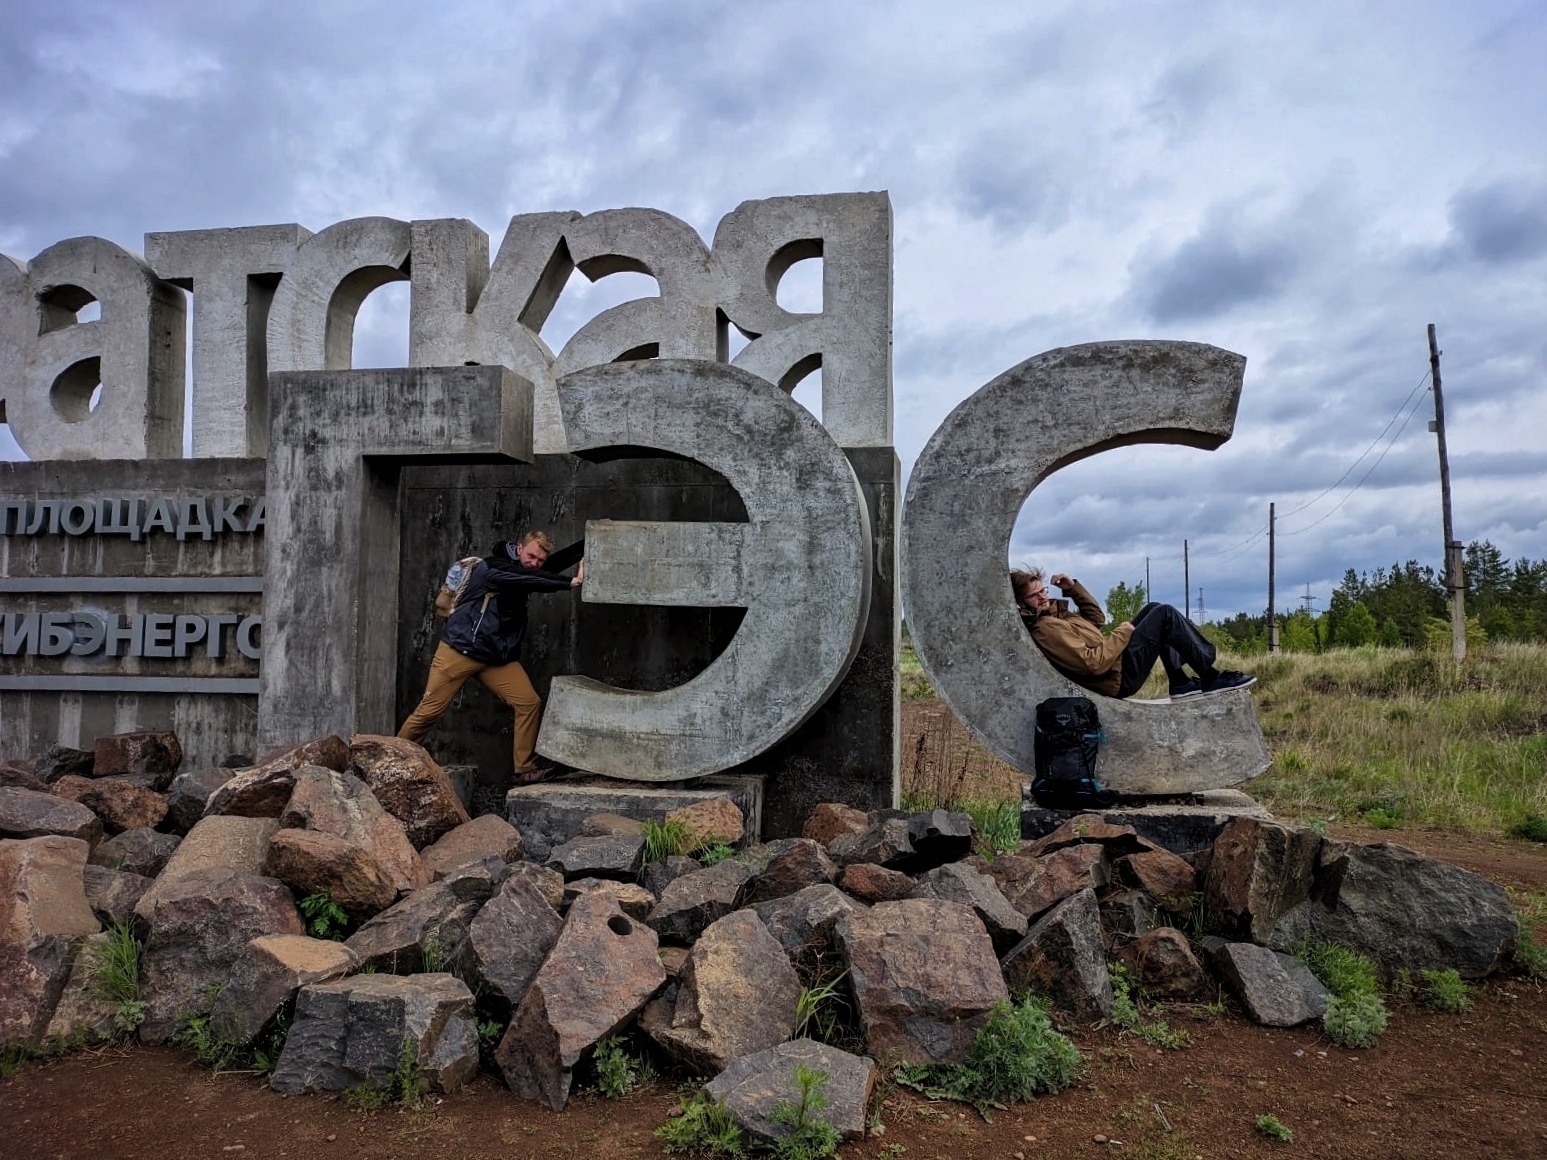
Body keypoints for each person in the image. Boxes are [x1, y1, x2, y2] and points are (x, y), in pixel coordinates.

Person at [399, 530, 584, 783]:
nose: (535, 564)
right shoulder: (492, 567)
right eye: (531, 556)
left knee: (528, 702)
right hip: (460, 651)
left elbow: (548, 567)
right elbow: (530, 578)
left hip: (494, 658)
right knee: (428, 713)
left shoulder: (525, 568)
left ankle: (525, 769)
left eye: (540, 560)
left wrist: (589, 541)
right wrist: (569, 583)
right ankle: (388, 759)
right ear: (519, 548)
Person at [1010, 568, 1254, 699]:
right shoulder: (1046, 629)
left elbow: (1097, 619)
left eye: (1042, 590)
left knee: (1154, 609)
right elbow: (1092, 664)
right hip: (1117, 678)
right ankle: (1211, 676)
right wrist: (1121, 635)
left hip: (1116, 665)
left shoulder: (1055, 616)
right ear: (1021, 602)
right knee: (1165, 615)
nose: (1043, 597)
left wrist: (1073, 590)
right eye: (1035, 595)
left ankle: (1180, 682)